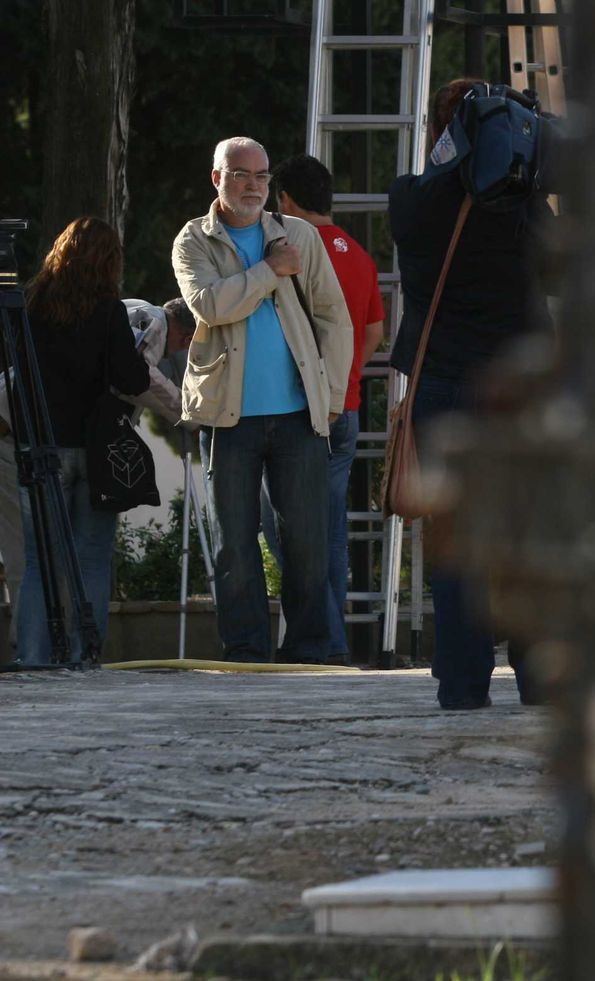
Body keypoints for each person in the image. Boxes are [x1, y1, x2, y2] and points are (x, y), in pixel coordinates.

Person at [389, 78, 551, 710]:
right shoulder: (522, 207)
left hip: (444, 385)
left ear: (440, 133)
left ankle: (462, 683)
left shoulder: (410, 200)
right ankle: (538, 678)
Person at [172, 136, 353, 664]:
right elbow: (210, 304)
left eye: (262, 177)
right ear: (217, 179)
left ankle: (310, 649)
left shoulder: (297, 234)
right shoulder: (193, 240)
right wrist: (268, 271)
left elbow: (334, 318)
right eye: (241, 175)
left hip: (299, 414)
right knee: (235, 545)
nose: (254, 186)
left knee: (306, 542)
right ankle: (245, 650)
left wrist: (333, 394)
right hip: (229, 416)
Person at [263, 153, 386, 666]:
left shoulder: (293, 250)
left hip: (301, 410)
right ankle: (331, 640)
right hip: (348, 408)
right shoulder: (358, 253)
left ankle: (320, 641)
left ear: (285, 200)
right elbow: (376, 332)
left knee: (285, 529)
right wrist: (344, 376)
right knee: (331, 531)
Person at [13, 217, 154, 663]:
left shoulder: (30, 304)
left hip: (40, 444)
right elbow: (130, 379)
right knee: (92, 558)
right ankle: (83, 655)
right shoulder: (109, 309)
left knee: (40, 562)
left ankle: (34, 657)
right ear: (110, 261)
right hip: (95, 450)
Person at [121, 296, 191, 424]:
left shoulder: (142, 305)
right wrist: (191, 415)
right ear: (187, 340)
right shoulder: (155, 325)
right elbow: (141, 374)